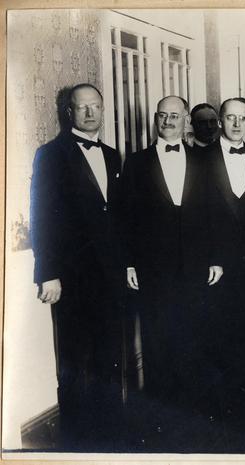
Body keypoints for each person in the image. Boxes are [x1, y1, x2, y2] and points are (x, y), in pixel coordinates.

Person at [121, 96, 227, 446]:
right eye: (162, 115)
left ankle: (194, 421)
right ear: (155, 119)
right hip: (154, 270)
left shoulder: (203, 160)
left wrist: (215, 257)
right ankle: (162, 425)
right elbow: (126, 217)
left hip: (196, 268)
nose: (168, 121)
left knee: (194, 340)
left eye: (175, 116)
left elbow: (214, 213)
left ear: (185, 121)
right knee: (157, 343)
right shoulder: (136, 163)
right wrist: (130, 263)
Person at [30, 83, 125, 451]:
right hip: (71, 279)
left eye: (95, 106)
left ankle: (111, 435)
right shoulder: (51, 155)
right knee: (72, 359)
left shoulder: (113, 156)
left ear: (103, 109)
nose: (90, 113)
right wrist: (48, 273)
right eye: (82, 107)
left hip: (110, 277)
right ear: (69, 112)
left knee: (108, 355)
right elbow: (42, 217)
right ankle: (74, 442)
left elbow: (117, 217)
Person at [203, 97, 245, 429]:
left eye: (243, 119)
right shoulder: (201, 159)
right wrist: (211, 258)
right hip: (218, 265)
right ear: (220, 121)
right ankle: (222, 406)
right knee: (219, 331)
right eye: (230, 118)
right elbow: (195, 216)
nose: (237, 124)